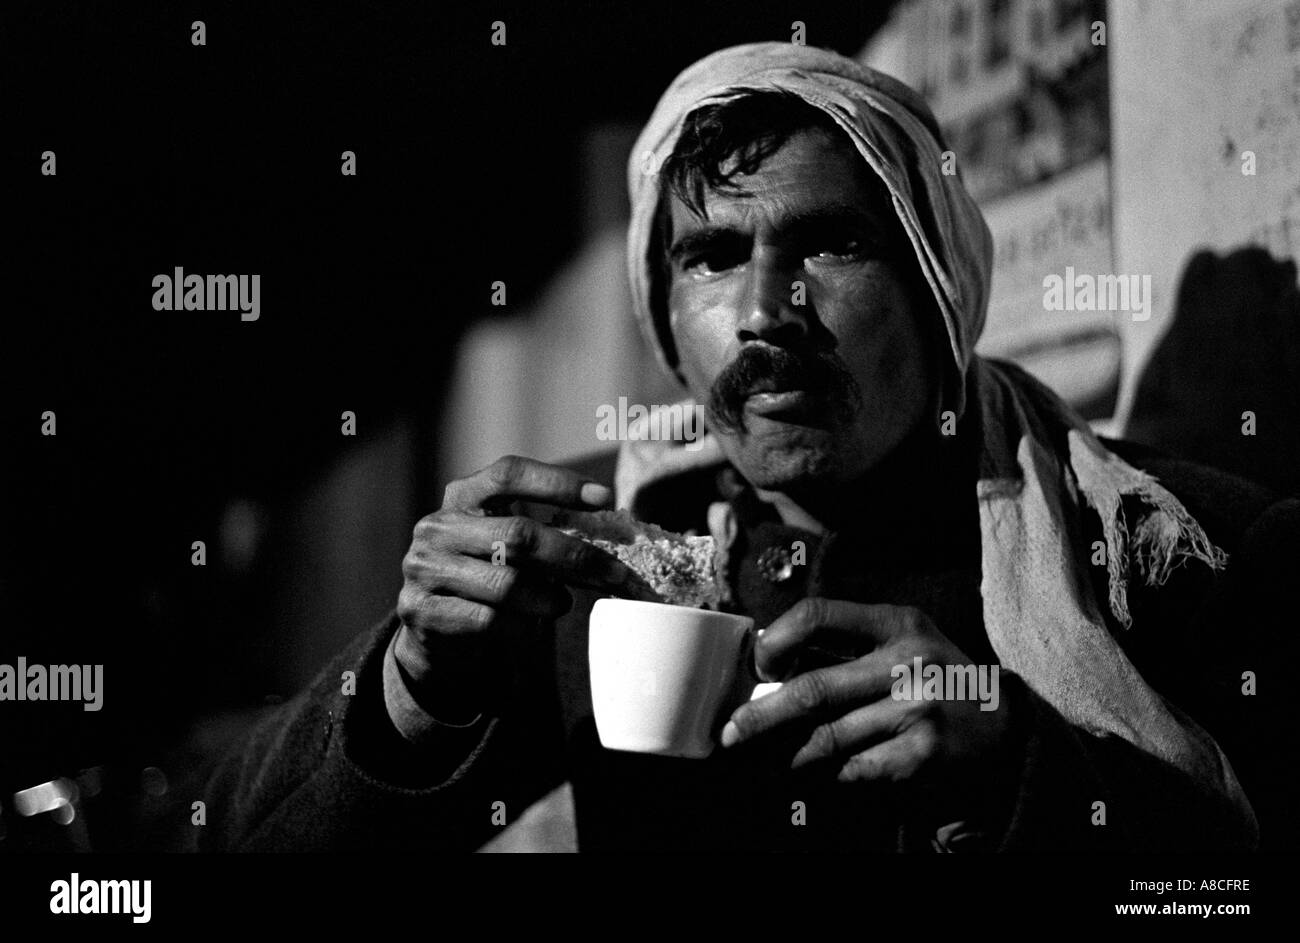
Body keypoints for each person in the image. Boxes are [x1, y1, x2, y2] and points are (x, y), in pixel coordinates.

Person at [192, 43, 1294, 852]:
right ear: (666, 321)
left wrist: (1026, 774)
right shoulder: (592, 552)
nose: (766, 311)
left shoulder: (1175, 553)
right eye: (713, 257)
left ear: (939, 286)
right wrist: (407, 690)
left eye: (832, 242)